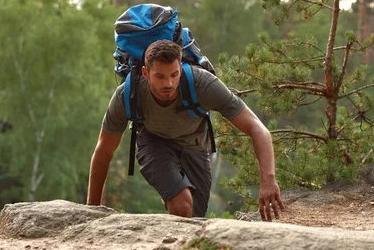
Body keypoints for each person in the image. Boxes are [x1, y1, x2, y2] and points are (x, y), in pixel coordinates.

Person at [86, 40, 284, 221]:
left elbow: (258, 129)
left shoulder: (202, 85)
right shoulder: (127, 95)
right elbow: (104, 151)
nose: (168, 84)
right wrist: (91, 211)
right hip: (154, 143)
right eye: (160, 76)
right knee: (182, 205)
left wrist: (268, 181)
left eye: (174, 74)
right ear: (146, 73)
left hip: (195, 146)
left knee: (193, 218)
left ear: (180, 68)